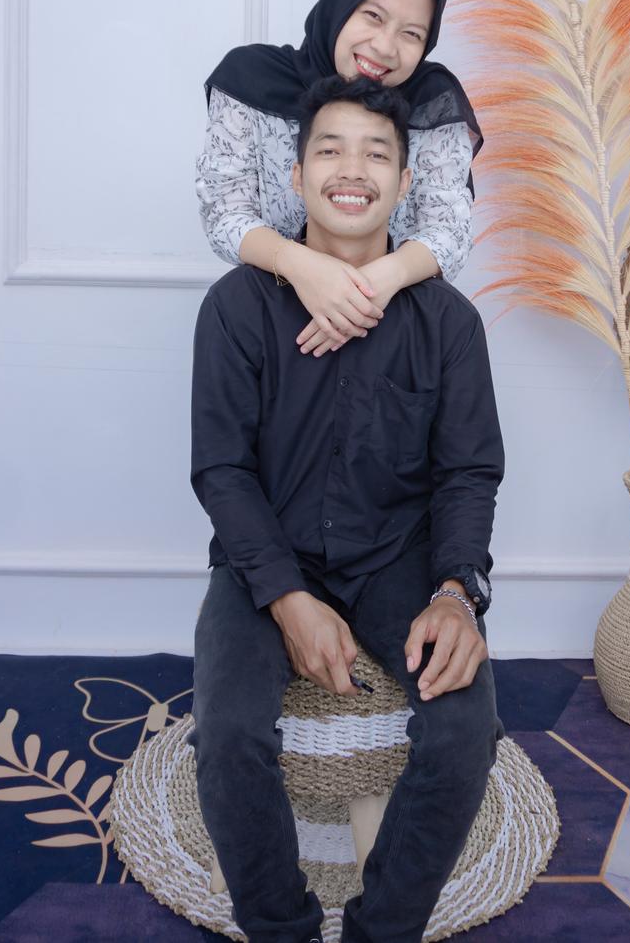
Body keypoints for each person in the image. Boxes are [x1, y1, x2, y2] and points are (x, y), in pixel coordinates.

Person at [187, 74, 505, 943]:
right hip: (261, 560)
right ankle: (281, 929)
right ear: (296, 176)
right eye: (330, 150)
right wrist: (287, 597)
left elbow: (468, 473)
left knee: (465, 727)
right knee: (229, 733)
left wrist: (456, 591)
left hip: (401, 559)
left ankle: (381, 930)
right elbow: (221, 472)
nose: (352, 170)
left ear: (405, 182)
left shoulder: (449, 322)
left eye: (377, 154)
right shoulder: (236, 307)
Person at [196, 0, 482, 358]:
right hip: (270, 325)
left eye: (411, 34)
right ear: (341, 3)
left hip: (391, 327)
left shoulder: (431, 101)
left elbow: (448, 232)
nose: (384, 47)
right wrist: (304, 268)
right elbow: (225, 214)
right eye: (373, 16)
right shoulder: (251, 78)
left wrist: (376, 283)